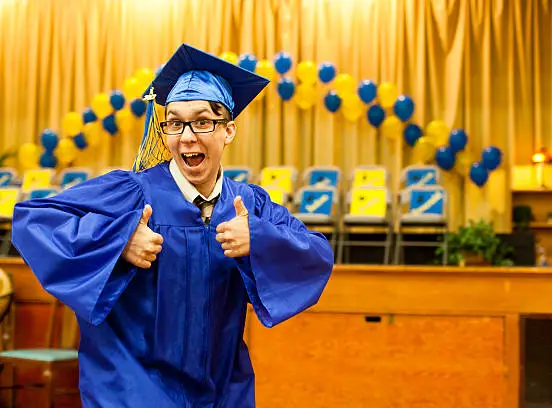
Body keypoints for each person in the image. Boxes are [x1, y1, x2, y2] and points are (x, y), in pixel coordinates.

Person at [11, 43, 334, 407]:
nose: (186, 135)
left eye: (202, 121)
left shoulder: (251, 205)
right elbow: (33, 221)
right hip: (133, 383)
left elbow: (317, 253)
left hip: (220, 386)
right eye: (175, 122)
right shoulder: (131, 192)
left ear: (228, 131)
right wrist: (117, 240)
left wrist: (259, 239)